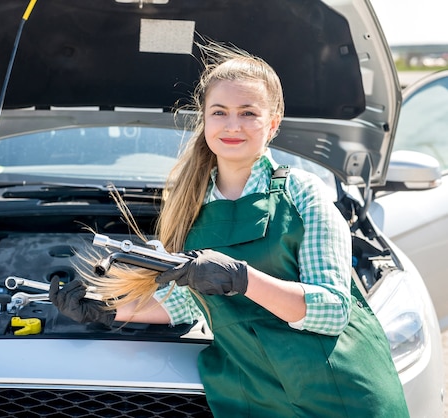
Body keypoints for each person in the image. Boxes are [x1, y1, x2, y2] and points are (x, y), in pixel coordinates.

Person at [49, 43, 409, 417]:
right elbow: (187, 303)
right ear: (204, 119)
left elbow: (333, 310)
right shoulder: (189, 204)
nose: (232, 125)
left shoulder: (304, 191)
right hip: (255, 395)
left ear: (272, 124)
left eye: (248, 113)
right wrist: (107, 309)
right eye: (219, 112)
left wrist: (241, 278)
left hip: (336, 394)